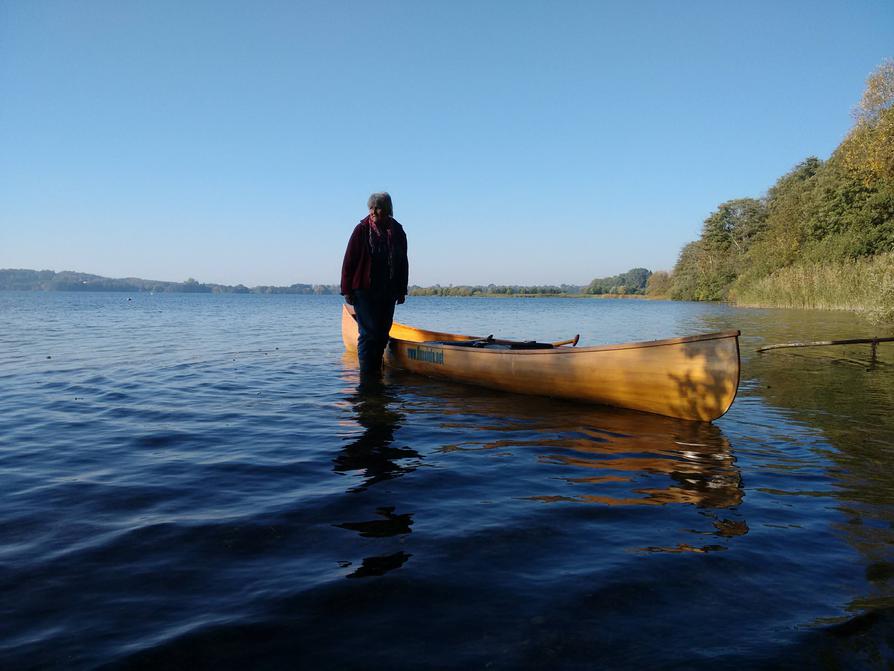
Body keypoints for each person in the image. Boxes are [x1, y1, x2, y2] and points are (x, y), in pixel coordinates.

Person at [341, 192, 409, 375]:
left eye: (377, 207)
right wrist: (346, 289)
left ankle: (375, 370)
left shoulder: (398, 231)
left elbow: (403, 261)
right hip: (364, 290)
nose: (373, 211)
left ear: (387, 210)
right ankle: (367, 376)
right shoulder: (361, 229)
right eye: (371, 208)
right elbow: (349, 261)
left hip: (388, 290)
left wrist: (402, 290)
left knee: (382, 334)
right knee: (368, 334)